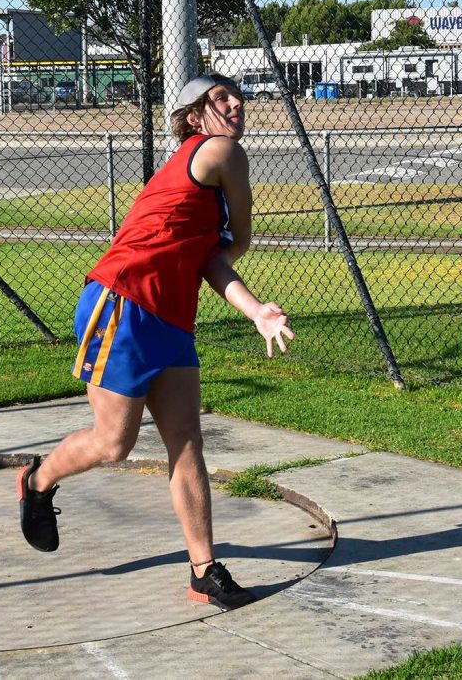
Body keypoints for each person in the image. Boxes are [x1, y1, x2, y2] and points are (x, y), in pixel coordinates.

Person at [15, 72, 295, 610]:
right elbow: (239, 240)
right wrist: (231, 253)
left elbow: (212, 259)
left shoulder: (206, 173)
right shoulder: (219, 151)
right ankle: (37, 481)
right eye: (220, 97)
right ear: (194, 117)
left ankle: (204, 570)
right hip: (123, 303)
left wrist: (257, 310)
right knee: (113, 444)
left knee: (186, 440)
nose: (236, 102)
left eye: (237, 95)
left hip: (170, 318)